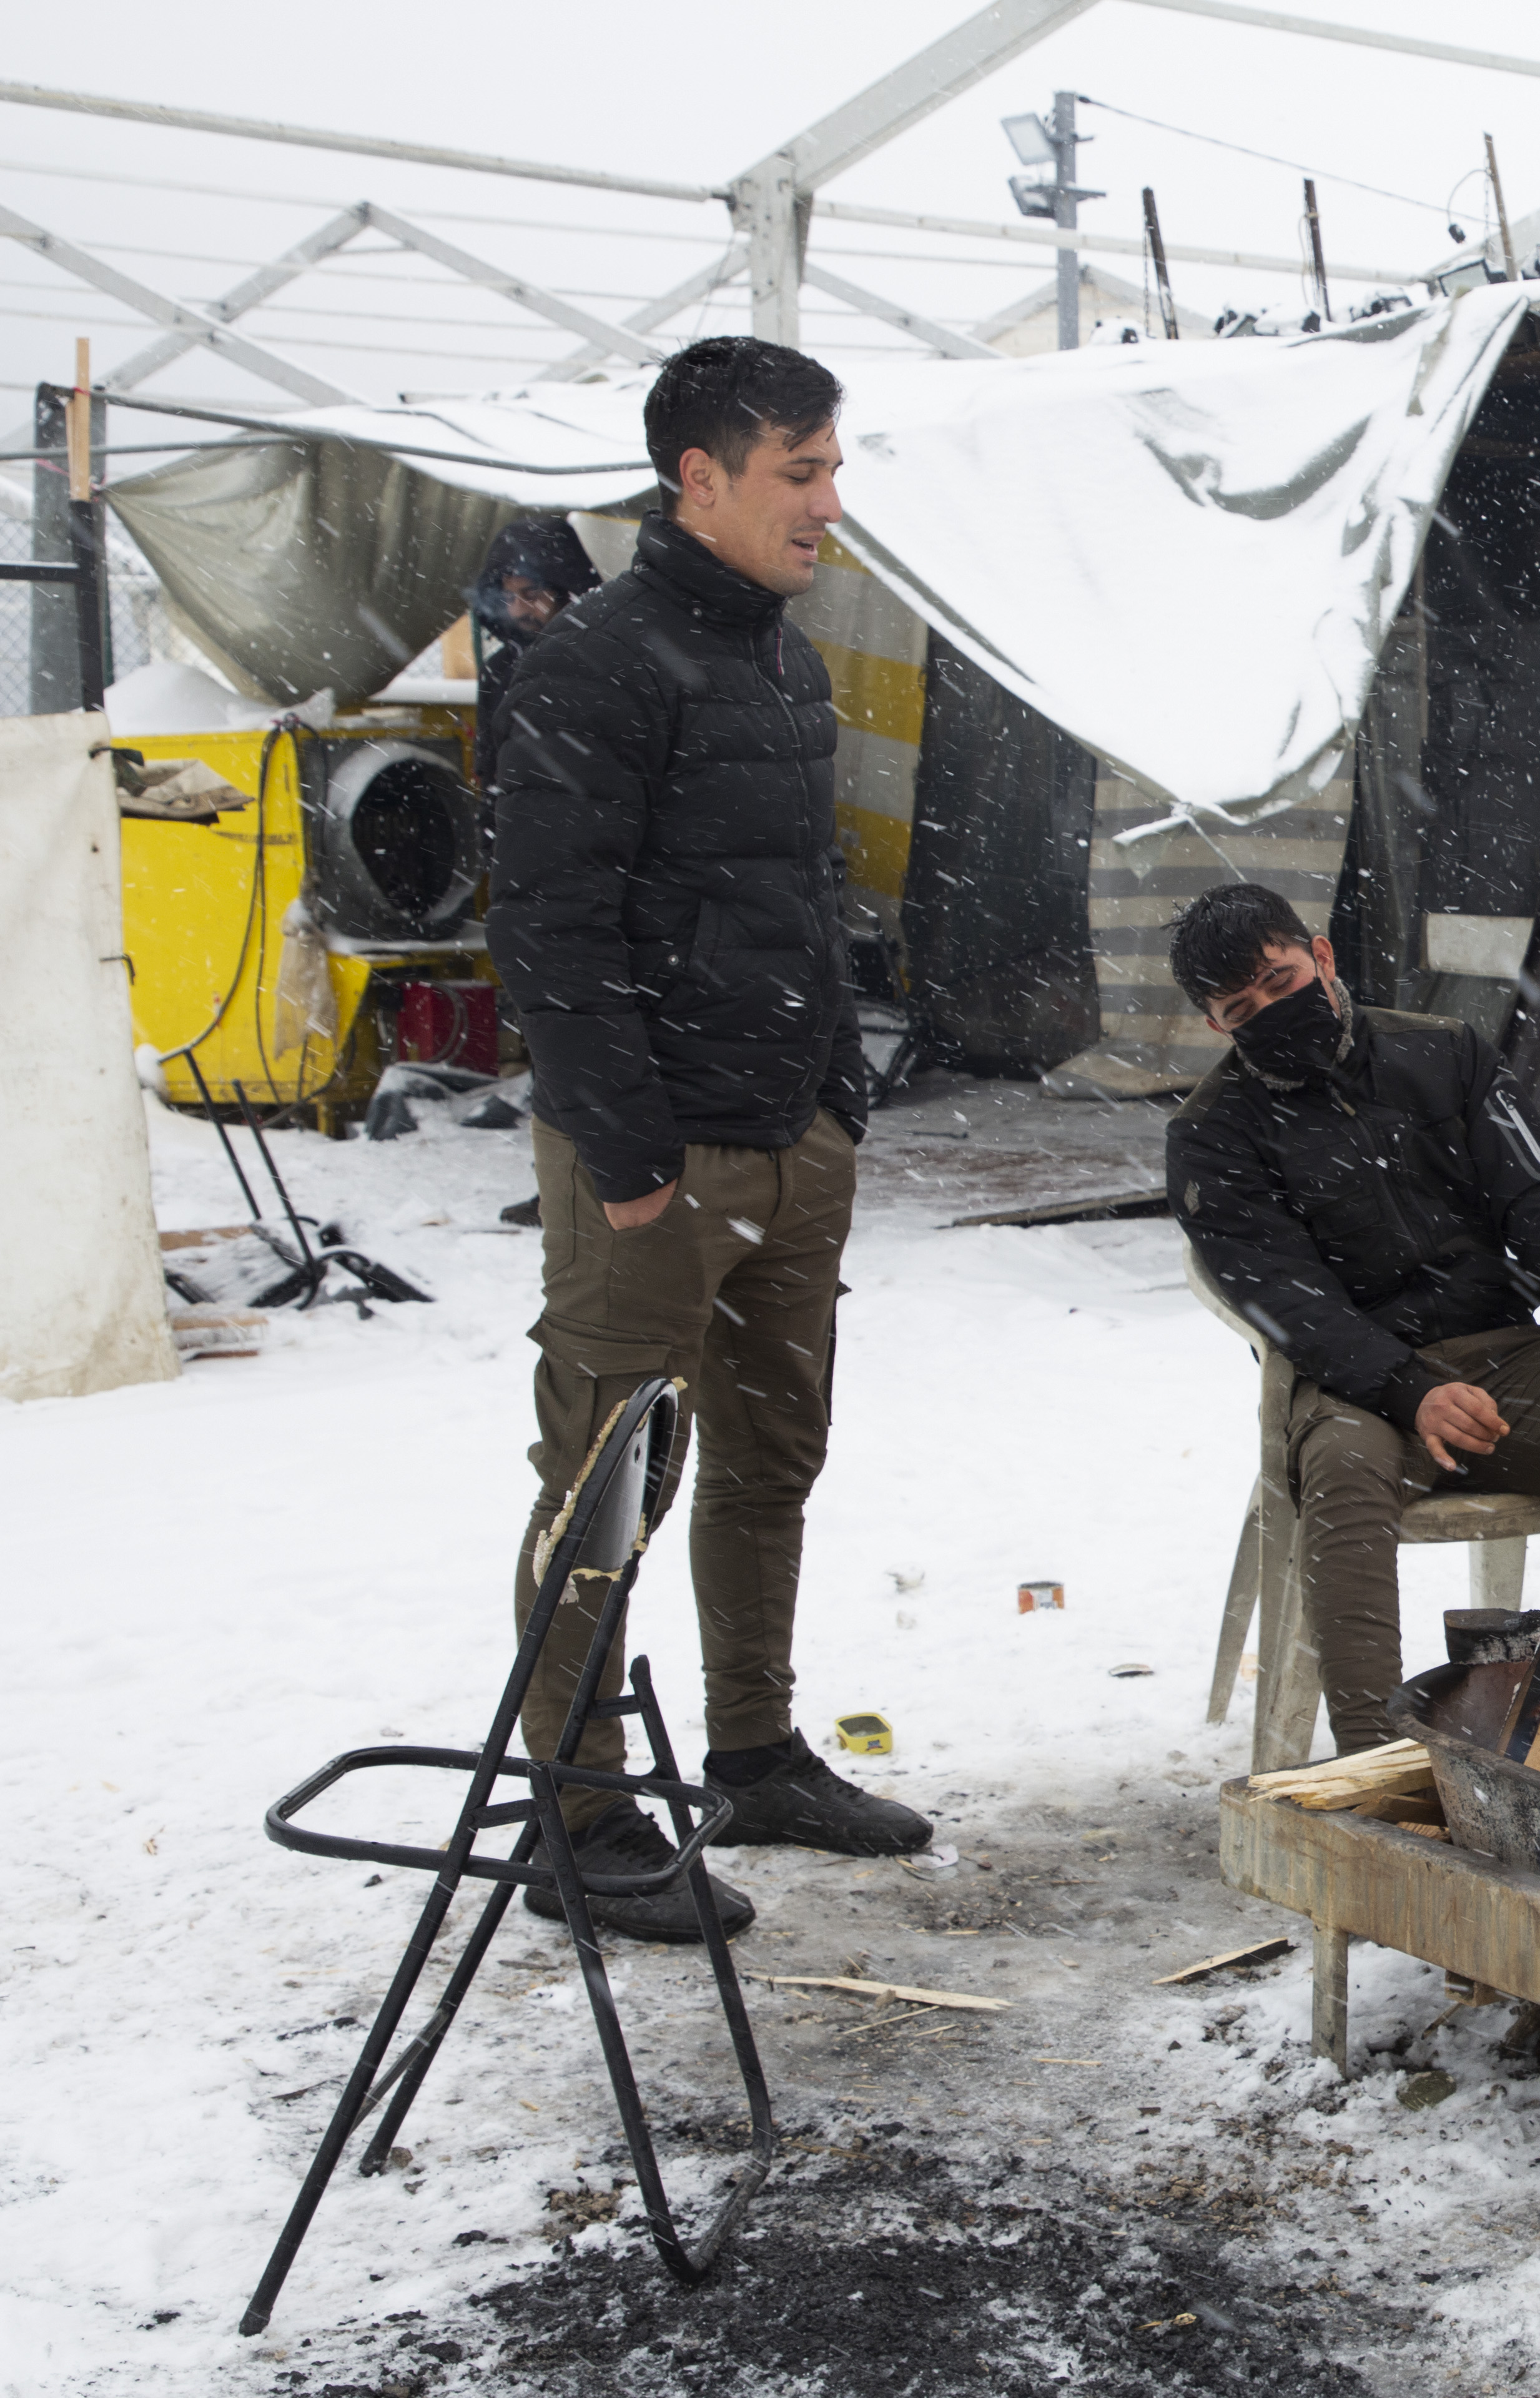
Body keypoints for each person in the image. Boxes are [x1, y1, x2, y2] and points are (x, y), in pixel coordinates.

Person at [488, 333, 925, 1942]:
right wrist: (628, 1160)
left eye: (832, 467)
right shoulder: (594, 664)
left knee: (770, 1461)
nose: (828, 504)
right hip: (658, 1162)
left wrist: (835, 1098)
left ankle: (752, 1749)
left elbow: (801, 898)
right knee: (605, 1483)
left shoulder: (784, 662)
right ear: (700, 478)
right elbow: (550, 929)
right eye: (800, 472)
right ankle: (581, 1813)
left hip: (791, 1133)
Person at [1168, 884, 1540, 1756]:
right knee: (1342, 1475)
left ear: (1322, 957)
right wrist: (1408, 1387)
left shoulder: (1444, 1053)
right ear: (1214, 1024)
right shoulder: (1212, 1134)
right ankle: (1376, 1763)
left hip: (1508, 1354)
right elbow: (1287, 1298)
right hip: (1355, 1387)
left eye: (1281, 980)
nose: (1270, 1010)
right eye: (1241, 1008)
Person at [468, 511, 601, 781]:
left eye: (531, 594)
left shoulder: (603, 663)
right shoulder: (498, 672)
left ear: (568, 594)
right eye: (509, 597)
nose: (518, 610)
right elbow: (490, 773)